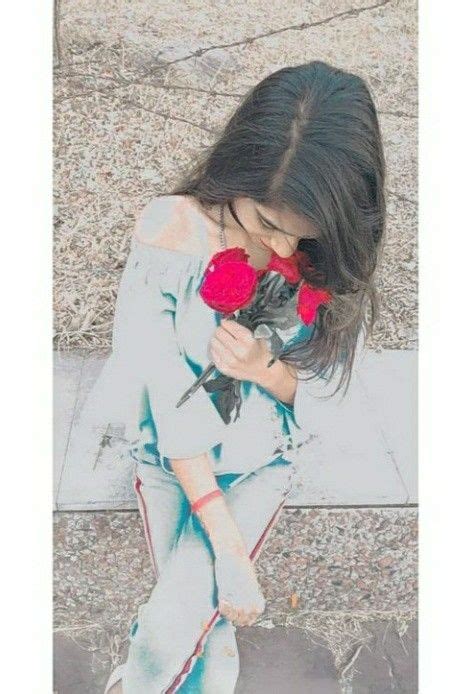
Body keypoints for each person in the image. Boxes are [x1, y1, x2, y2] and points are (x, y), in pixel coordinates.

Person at [83, 59, 385, 693]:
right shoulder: (172, 232)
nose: (281, 250)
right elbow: (160, 389)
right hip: (173, 462)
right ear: (237, 171)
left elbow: (325, 390)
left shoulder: (327, 253)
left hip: (260, 461)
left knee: (186, 627)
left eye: (301, 234)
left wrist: (264, 369)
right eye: (266, 222)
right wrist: (224, 540)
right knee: (185, 630)